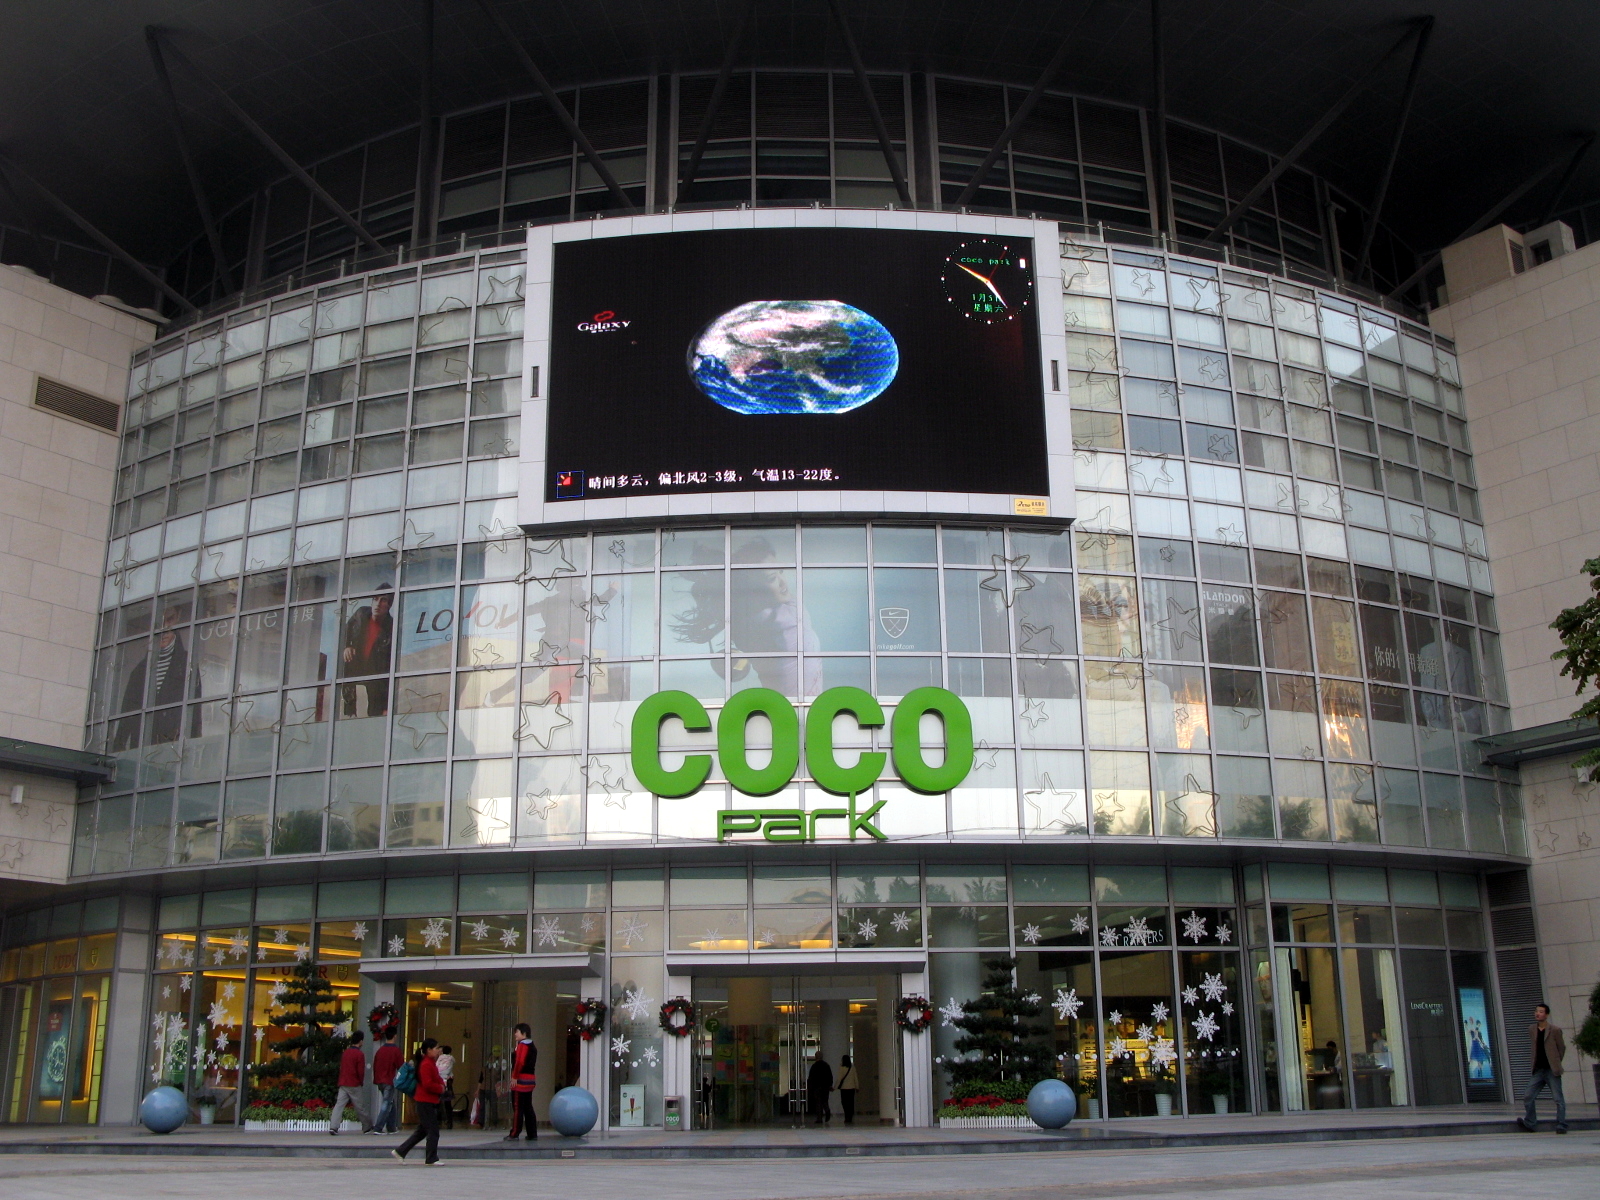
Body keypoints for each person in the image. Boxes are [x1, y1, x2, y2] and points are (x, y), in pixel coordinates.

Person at [340, 585, 393, 717]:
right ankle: (350, 713)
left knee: (375, 705)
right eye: (375, 599)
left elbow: (388, 664)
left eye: (383, 600)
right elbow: (345, 632)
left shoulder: (391, 627)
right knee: (347, 665)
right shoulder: (361, 614)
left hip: (375, 671)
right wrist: (347, 646)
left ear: (389, 605)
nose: (378, 604)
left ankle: (375, 718)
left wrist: (386, 705)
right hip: (356, 664)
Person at [392, 1038, 444, 1165]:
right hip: (425, 1101)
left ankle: (400, 1151)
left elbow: (436, 1078)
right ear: (428, 1050)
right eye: (436, 1048)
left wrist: (441, 1085)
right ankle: (431, 1158)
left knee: (422, 1131)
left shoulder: (430, 1062)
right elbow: (427, 1084)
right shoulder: (426, 1064)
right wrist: (440, 1088)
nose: (438, 1051)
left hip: (428, 1100)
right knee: (433, 1130)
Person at [1518, 1002, 1568, 1133]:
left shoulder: (1555, 1030)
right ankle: (1530, 1122)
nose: (1537, 1014)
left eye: (1540, 1011)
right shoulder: (1532, 1029)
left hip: (1551, 1069)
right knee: (1528, 1096)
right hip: (1538, 1070)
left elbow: (1561, 1048)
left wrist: (1556, 1062)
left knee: (1558, 1098)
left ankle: (1561, 1124)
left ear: (1546, 1015)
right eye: (1536, 1011)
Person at [330, 1030, 371, 1135]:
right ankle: (367, 1126)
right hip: (354, 1083)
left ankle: (333, 1126)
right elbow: (360, 1071)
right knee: (360, 1106)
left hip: (343, 1083)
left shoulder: (346, 1052)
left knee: (339, 1105)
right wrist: (360, 1082)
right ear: (361, 1041)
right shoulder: (359, 1054)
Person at [505, 1022, 537, 1141]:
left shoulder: (523, 1045)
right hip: (530, 1079)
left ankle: (514, 1133)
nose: (515, 1034)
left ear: (523, 1033)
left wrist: (514, 1077)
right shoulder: (532, 1046)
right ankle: (532, 1133)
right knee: (528, 1106)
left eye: (517, 1032)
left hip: (521, 1081)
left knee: (518, 1107)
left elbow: (519, 1062)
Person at [370, 1029, 403, 1134]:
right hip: (389, 1080)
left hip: (380, 1080)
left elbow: (375, 1065)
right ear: (395, 1036)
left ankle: (391, 1127)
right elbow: (401, 1066)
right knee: (386, 1103)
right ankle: (378, 1127)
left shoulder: (380, 1050)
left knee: (390, 1102)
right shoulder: (395, 1050)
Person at [807, 1054, 833, 1126]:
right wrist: (830, 1085)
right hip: (825, 1087)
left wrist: (810, 1087)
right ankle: (827, 1110)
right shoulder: (826, 1065)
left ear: (816, 1057)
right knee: (825, 1101)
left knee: (818, 1103)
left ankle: (819, 1118)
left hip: (817, 1087)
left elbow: (811, 1078)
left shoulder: (814, 1066)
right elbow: (830, 1076)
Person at [835, 1053, 859, 1126]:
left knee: (844, 1103)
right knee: (851, 1103)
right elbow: (855, 1078)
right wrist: (857, 1087)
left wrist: (834, 1087)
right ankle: (850, 1117)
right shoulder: (852, 1067)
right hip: (852, 1088)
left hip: (844, 1089)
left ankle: (846, 1116)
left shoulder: (841, 1068)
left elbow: (839, 1079)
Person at [436, 1043, 456, 1129]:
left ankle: (443, 1121)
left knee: (443, 1102)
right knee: (442, 1103)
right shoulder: (451, 1059)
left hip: (441, 1081)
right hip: (446, 1081)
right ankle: (445, 1121)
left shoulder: (438, 1061)